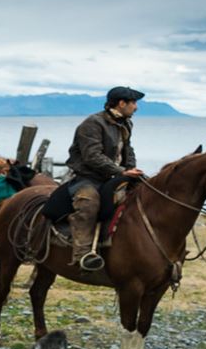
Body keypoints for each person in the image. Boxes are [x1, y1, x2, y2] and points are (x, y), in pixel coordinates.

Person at [61, 86, 146, 269]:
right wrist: (120, 171)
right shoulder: (92, 123)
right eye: (133, 103)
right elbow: (92, 156)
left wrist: (132, 169)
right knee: (88, 203)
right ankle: (82, 255)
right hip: (88, 177)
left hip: (115, 174)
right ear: (121, 103)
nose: (136, 107)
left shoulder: (126, 123)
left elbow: (128, 150)